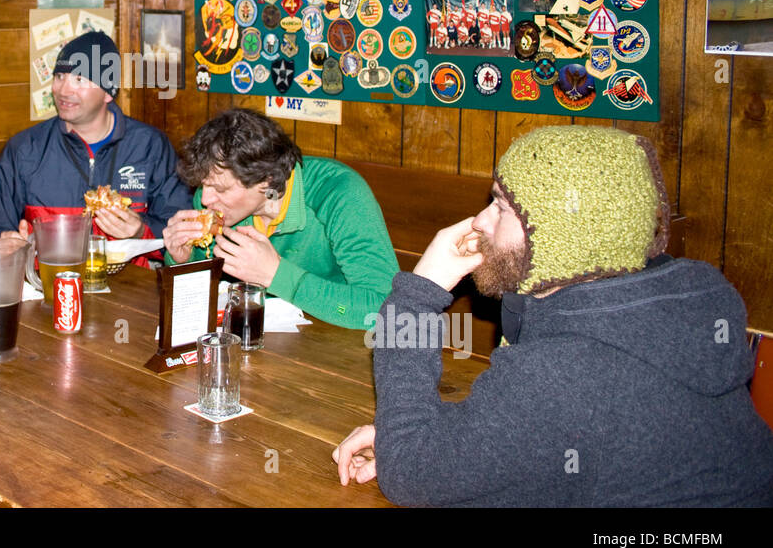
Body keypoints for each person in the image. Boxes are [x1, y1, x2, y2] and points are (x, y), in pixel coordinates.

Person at [333, 126, 773, 506]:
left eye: (502, 207)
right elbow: (557, 436)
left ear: (561, 235)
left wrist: (419, 293)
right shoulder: (663, 306)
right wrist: (421, 433)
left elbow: (411, 474)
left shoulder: (563, 371)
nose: (479, 221)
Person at [162, 108, 397, 327]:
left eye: (221, 190)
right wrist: (182, 260)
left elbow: (385, 309)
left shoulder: (342, 194)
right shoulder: (215, 203)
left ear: (267, 181)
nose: (205, 200)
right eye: (204, 185)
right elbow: (197, 300)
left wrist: (276, 275)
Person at [0, 31, 191, 246]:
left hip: (133, 280)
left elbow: (182, 230)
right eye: (59, 77)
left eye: (79, 79)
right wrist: (1, 245)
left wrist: (142, 231)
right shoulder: (25, 149)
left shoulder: (150, 146)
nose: (64, 90)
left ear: (108, 92)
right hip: (48, 280)